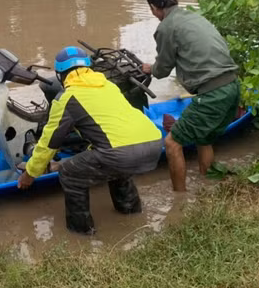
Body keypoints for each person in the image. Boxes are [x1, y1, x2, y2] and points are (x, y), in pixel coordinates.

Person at [17, 47, 164, 235]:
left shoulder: (67, 98)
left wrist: (30, 173)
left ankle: (81, 232)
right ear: (89, 68)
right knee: (115, 163)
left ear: (60, 75)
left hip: (121, 153)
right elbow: (110, 127)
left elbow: (49, 143)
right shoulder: (109, 86)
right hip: (153, 143)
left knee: (70, 173)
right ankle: (131, 214)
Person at [142, 0, 240, 192]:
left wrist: (150, 68)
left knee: (171, 143)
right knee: (204, 138)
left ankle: (179, 201)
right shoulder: (195, 17)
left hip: (212, 93)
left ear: (153, 7)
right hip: (231, 85)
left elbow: (161, 70)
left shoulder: (166, 27)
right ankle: (209, 185)